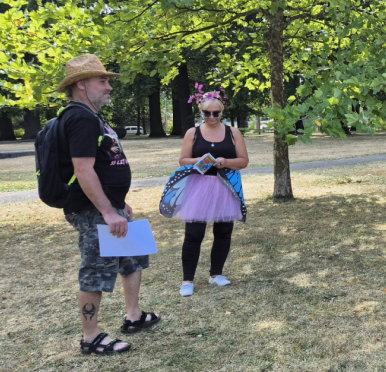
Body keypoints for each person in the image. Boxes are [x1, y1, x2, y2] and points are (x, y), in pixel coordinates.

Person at [57, 54, 160, 355]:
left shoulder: (92, 116)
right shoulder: (79, 118)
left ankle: (134, 316)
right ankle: (91, 337)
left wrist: (119, 203)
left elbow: (104, 164)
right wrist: (105, 210)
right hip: (91, 211)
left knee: (133, 257)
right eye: (102, 81)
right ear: (80, 85)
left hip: (110, 206)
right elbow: (83, 169)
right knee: (95, 270)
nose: (109, 87)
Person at [159, 85, 249, 296]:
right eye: (206, 113)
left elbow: (243, 161)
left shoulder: (233, 132)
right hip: (199, 186)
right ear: (201, 112)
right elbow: (183, 160)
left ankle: (216, 274)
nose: (211, 117)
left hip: (225, 186)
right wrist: (200, 160)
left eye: (215, 113)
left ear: (222, 112)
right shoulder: (193, 132)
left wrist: (226, 161)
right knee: (194, 234)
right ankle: (187, 280)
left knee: (223, 232)